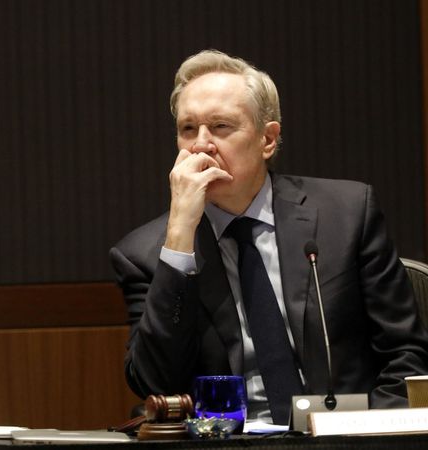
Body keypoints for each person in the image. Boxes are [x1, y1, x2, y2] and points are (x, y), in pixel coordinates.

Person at [109, 50, 428, 424]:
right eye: (188, 129)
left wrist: (369, 433)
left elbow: (406, 355)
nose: (201, 144)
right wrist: (179, 237)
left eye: (222, 126)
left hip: (343, 434)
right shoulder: (145, 254)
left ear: (268, 139)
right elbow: (154, 382)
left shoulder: (346, 214)